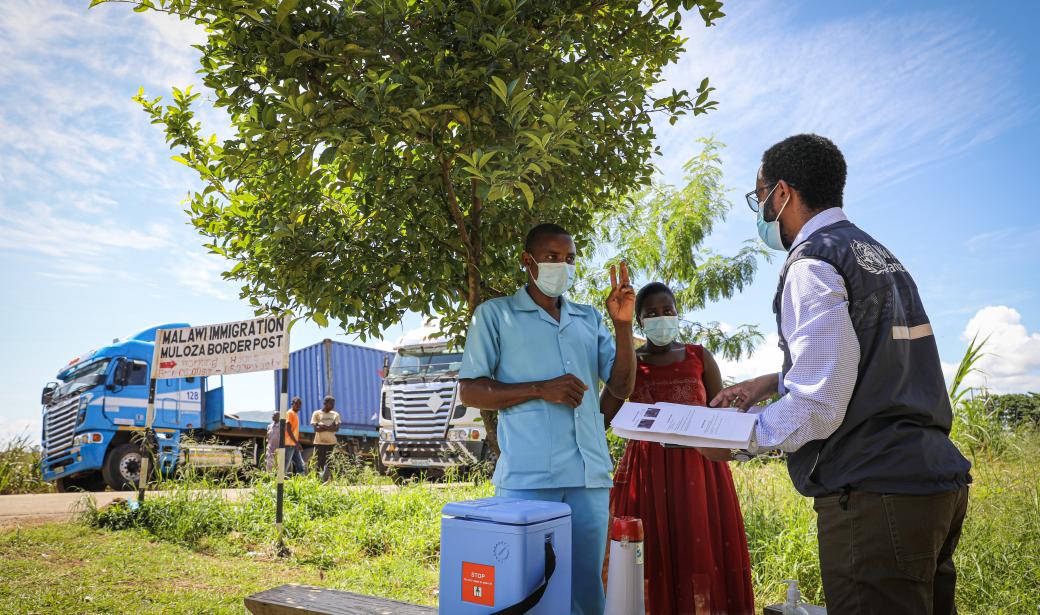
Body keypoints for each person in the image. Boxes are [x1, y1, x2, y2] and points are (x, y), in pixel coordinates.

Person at [706, 134, 972, 614]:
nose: (760, 210)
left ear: (781, 193)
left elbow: (819, 406)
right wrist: (771, 381)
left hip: (874, 496)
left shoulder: (812, 262)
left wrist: (734, 439)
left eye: (759, 195)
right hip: (932, 484)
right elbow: (867, 359)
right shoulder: (875, 254)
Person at [459, 223, 637, 615]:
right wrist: (541, 389)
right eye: (552, 257)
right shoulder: (495, 315)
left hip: (588, 477)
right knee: (525, 591)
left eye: (570, 258)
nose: (563, 265)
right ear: (528, 262)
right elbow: (470, 390)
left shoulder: (588, 319)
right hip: (527, 479)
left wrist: (623, 326)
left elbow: (622, 385)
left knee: (586, 590)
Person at [600, 282, 755, 614]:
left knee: (700, 551)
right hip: (646, 472)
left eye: (667, 311)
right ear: (639, 320)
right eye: (651, 313)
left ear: (677, 314)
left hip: (701, 470)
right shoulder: (629, 363)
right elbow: (604, 416)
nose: (661, 318)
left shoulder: (700, 357)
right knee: (648, 557)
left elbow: (721, 416)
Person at [311, 395, 341, 482]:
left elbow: (336, 428)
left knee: (331, 463)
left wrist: (323, 425)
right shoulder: (316, 413)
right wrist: (330, 427)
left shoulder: (335, 414)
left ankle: (330, 481)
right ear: (325, 403)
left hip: (332, 443)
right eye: (331, 403)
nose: (332, 405)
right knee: (319, 463)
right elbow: (316, 429)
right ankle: (318, 481)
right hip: (319, 442)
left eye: (333, 404)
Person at [284, 396, 306, 476]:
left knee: (300, 464)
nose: (298, 406)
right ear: (292, 404)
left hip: (293, 444)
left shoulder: (295, 414)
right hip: (289, 444)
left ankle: (302, 481)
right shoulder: (290, 413)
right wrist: (296, 442)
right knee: (285, 465)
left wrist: (296, 443)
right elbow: (288, 430)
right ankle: (279, 483)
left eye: (300, 404)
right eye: (296, 404)